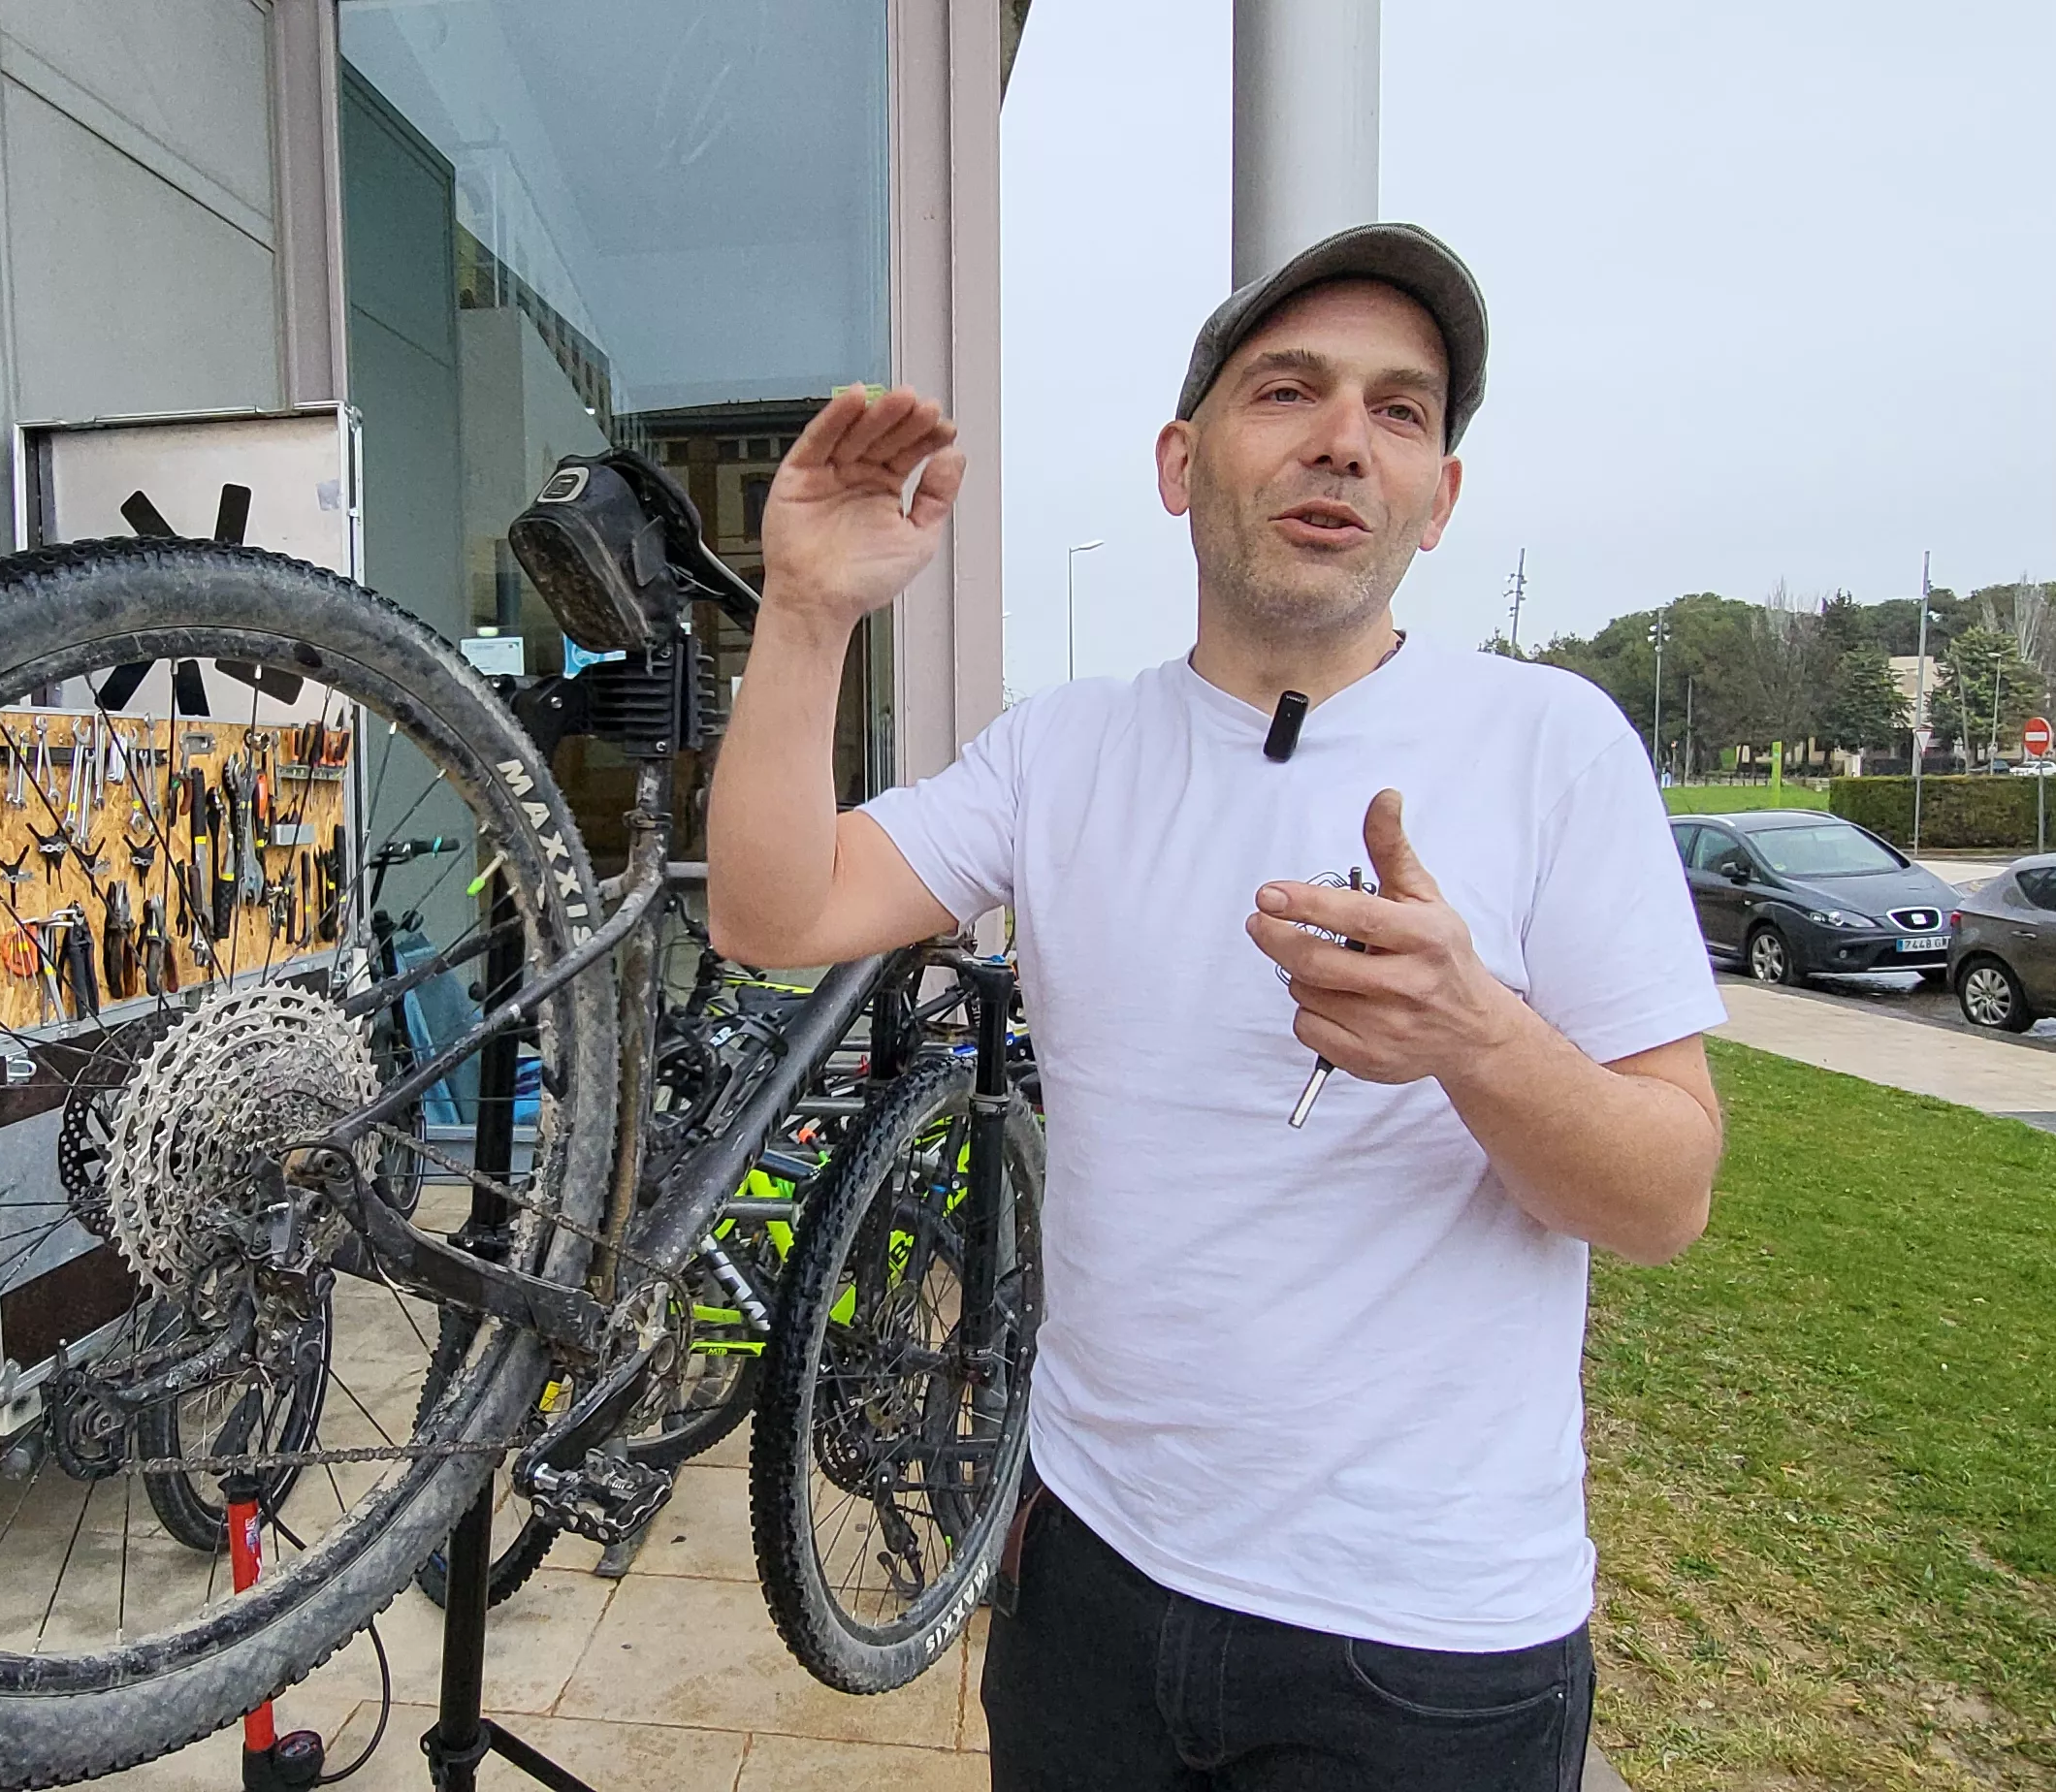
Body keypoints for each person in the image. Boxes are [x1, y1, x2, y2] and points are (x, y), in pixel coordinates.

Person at [705, 223, 1727, 1791]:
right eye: (1289, 390)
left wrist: (1477, 1034)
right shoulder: (1065, 752)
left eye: (1402, 410)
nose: (1343, 439)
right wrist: (808, 611)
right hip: (1094, 1581)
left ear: (1439, 497)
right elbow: (775, 911)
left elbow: (1665, 1193)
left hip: (1424, 1643)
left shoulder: (1552, 745)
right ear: (1182, 463)